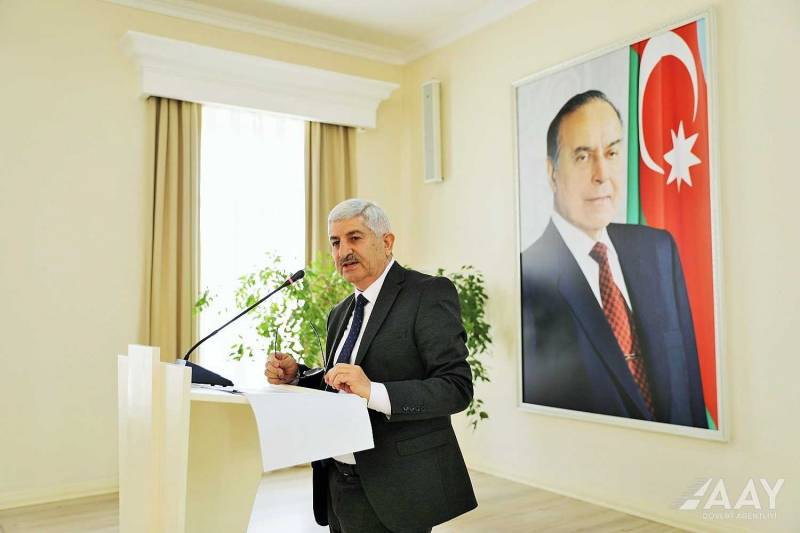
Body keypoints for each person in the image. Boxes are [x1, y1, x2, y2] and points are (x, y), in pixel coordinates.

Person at [265, 199, 477, 532]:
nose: (343, 251)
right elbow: (338, 386)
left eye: (355, 238)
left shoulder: (427, 294)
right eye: (336, 242)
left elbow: (456, 387)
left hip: (396, 487)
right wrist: (297, 376)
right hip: (336, 482)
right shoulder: (340, 312)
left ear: (387, 242)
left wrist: (374, 391)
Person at [520, 90, 707, 428]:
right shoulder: (526, 278)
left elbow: (691, 389)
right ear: (552, 172)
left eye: (612, 153)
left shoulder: (658, 249)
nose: (602, 174)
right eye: (583, 156)